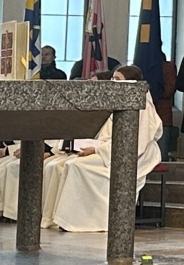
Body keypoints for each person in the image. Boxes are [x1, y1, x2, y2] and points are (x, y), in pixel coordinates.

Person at [49, 65, 166, 232]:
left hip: (135, 154)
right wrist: (96, 147)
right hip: (109, 149)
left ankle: (90, 220)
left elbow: (137, 142)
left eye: (118, 80)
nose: (113, 83)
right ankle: (69, 219)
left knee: (76, 165)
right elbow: (106, 136)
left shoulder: (142, 106)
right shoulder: (115, 103)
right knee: (69, 164)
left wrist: (98, 150)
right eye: (113, 79)